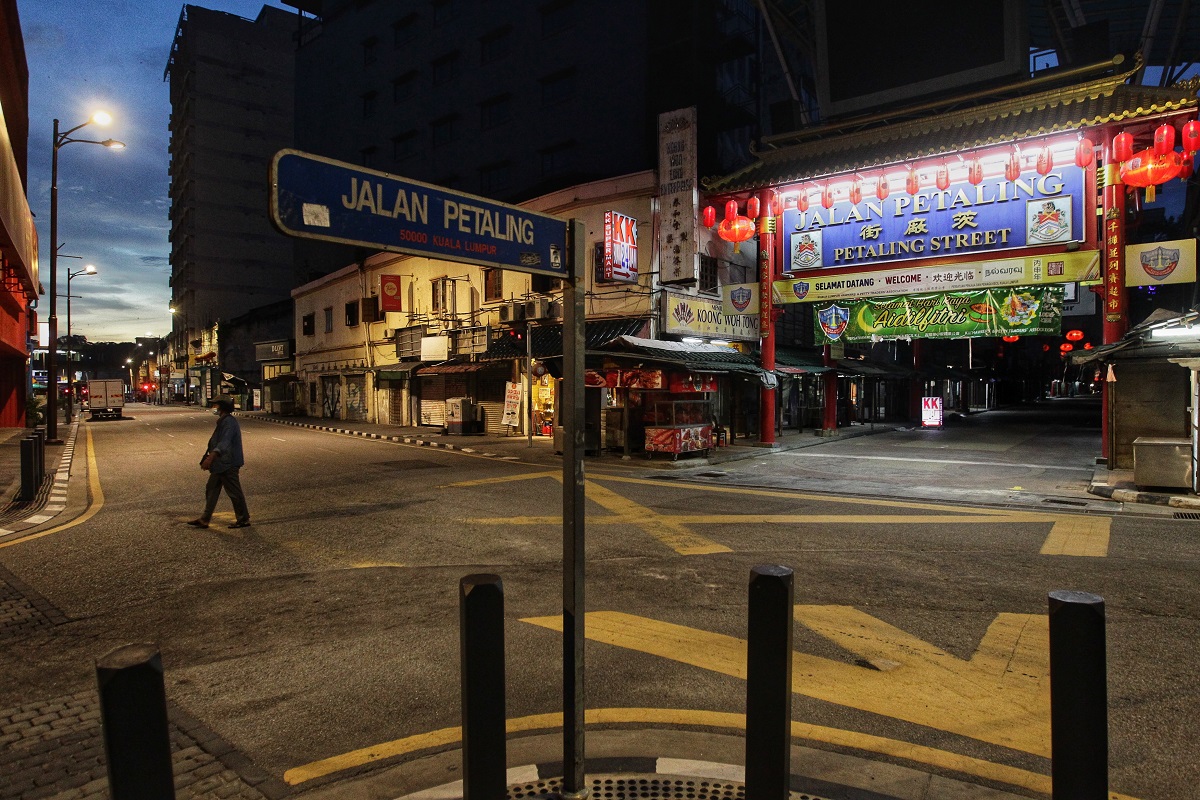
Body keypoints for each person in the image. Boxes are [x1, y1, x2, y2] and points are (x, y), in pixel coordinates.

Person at [188, 397, 251, 529]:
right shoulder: (223, 421)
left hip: (228, 463)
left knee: (234, 492)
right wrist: (206, 457)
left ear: (221, 407)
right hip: (220, 464)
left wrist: (211, 458)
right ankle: (205, 519)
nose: (214, 407)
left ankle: (243, 519)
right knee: (211, 489)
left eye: (215, 405)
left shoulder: (229, 422)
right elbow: (215, 442)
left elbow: (224, 443)